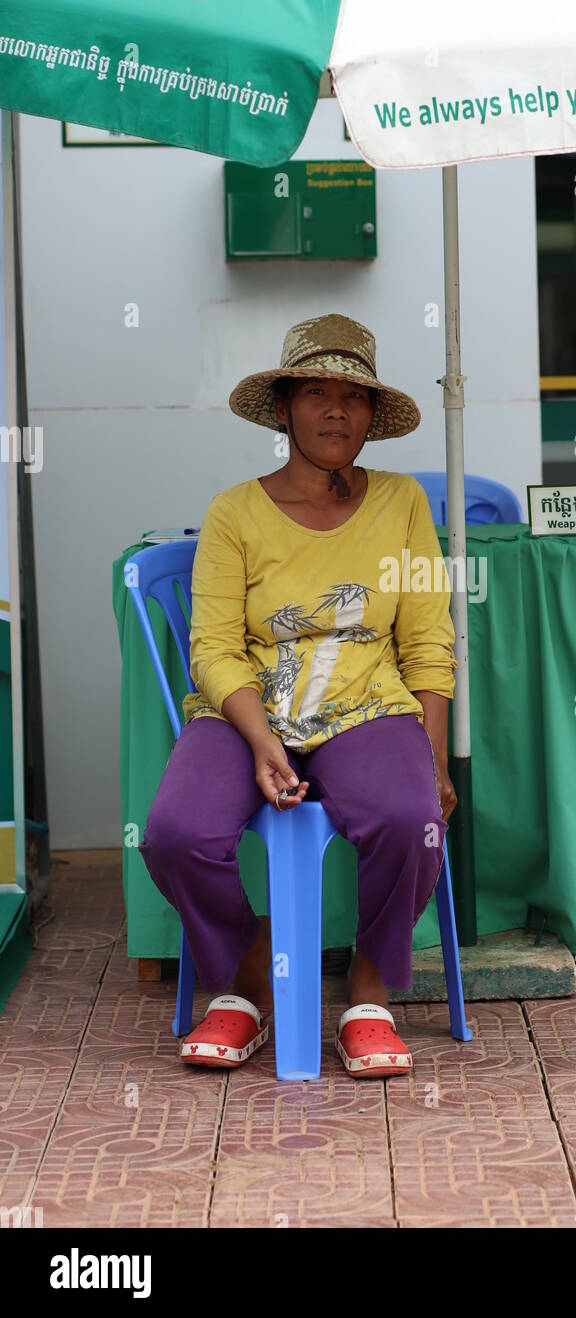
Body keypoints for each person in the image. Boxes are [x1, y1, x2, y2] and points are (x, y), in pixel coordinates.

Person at [138, 313, 458, 1078]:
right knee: (174, 831)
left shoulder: (403, 503)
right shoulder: (233, 513)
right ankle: (250, 971)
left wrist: (433, 758)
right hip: (245, 708)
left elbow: (427, 642)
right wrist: (260, 741)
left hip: (367, 707)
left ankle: (369, 995)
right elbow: (212, 649)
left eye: (353, 396)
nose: (336, 410)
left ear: (371, 418)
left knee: (410, 818)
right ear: (283, 410)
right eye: (317, 392)